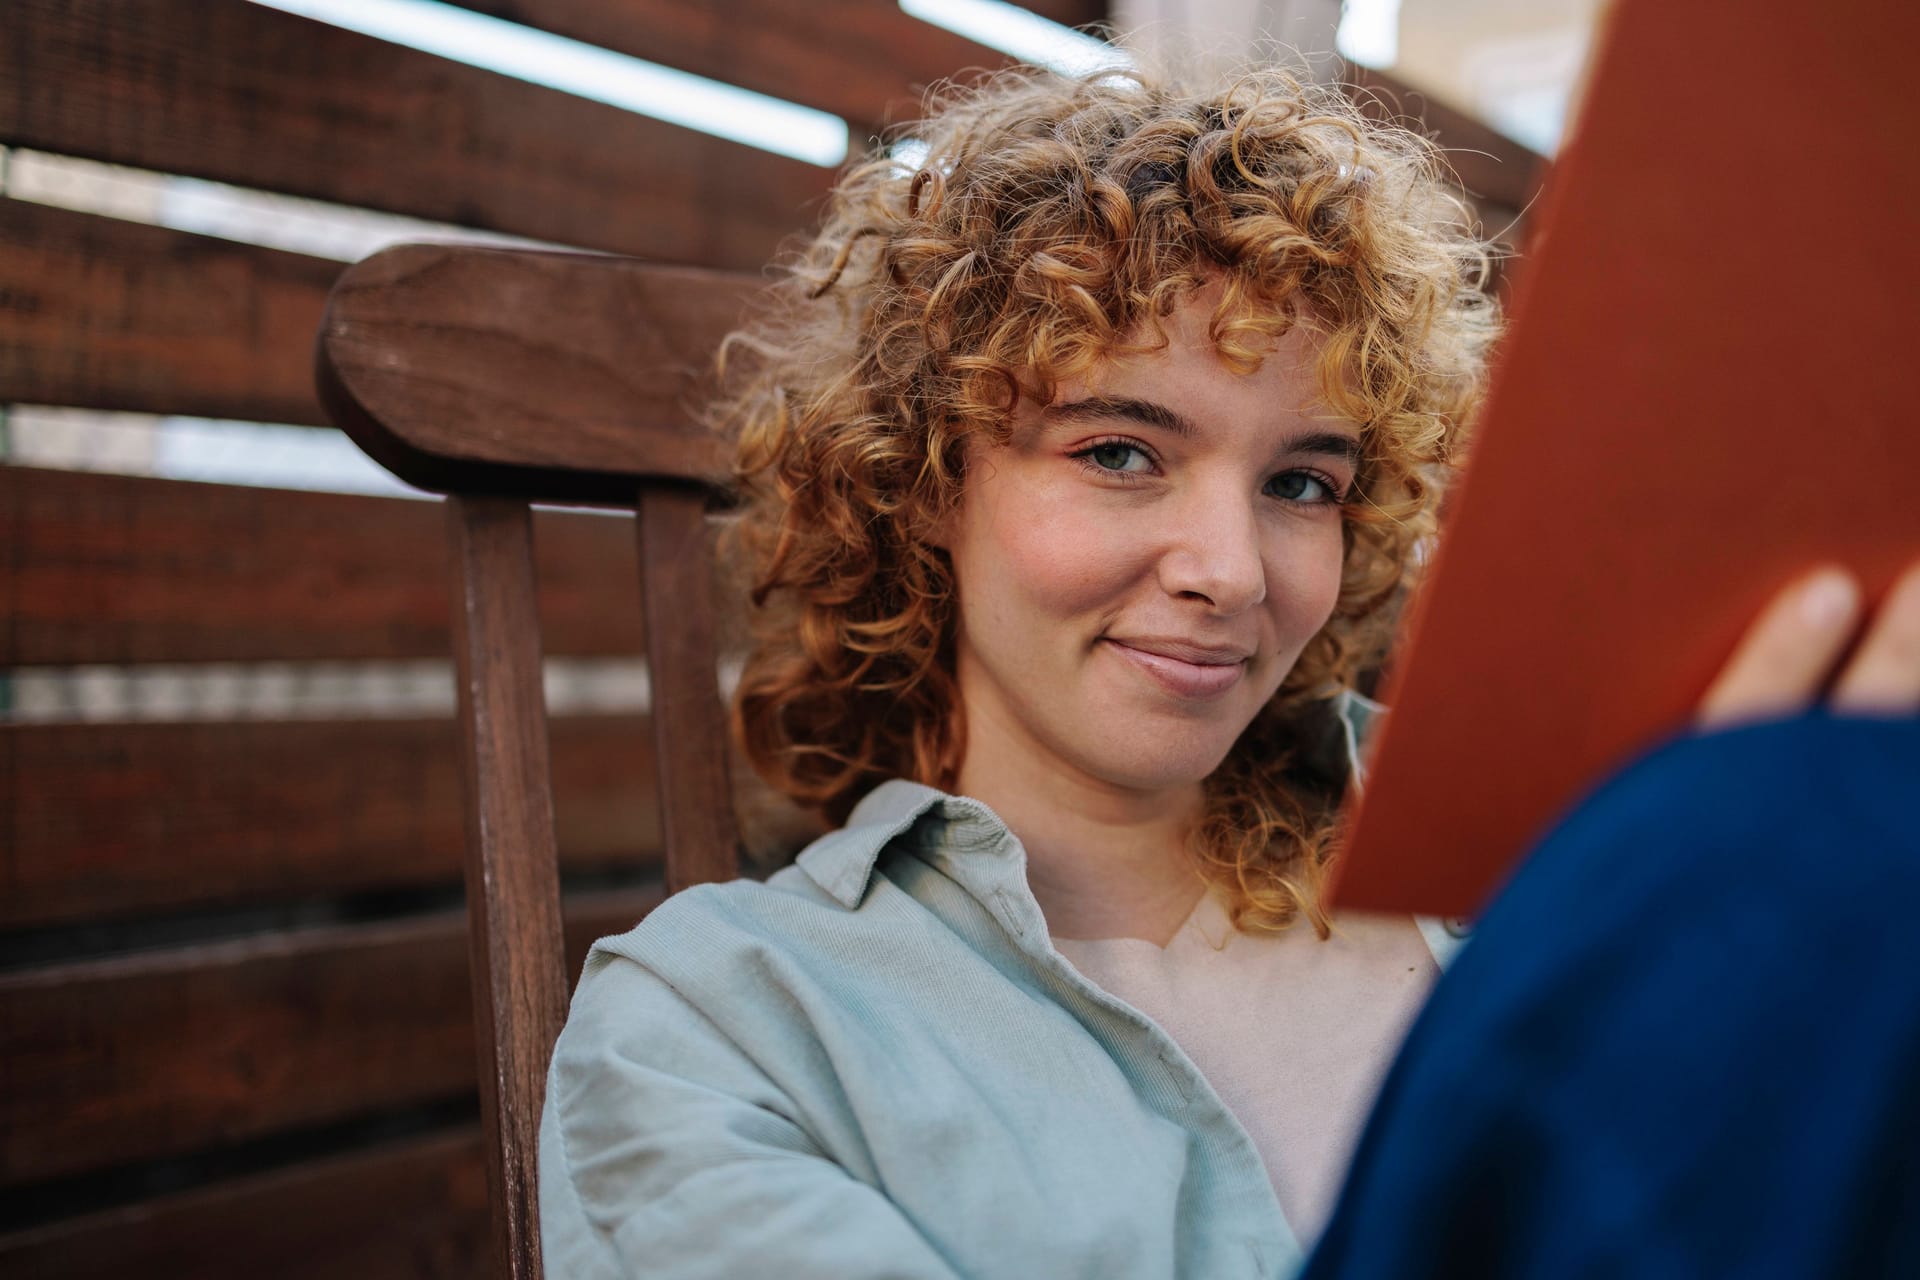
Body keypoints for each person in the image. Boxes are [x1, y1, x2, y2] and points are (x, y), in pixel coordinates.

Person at [537, 58, 1920, 1279]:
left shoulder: (1499, 854)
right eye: (1121, 452)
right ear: (922, 484)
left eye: (1303, 482)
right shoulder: (723, 1027)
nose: (1234, 571)